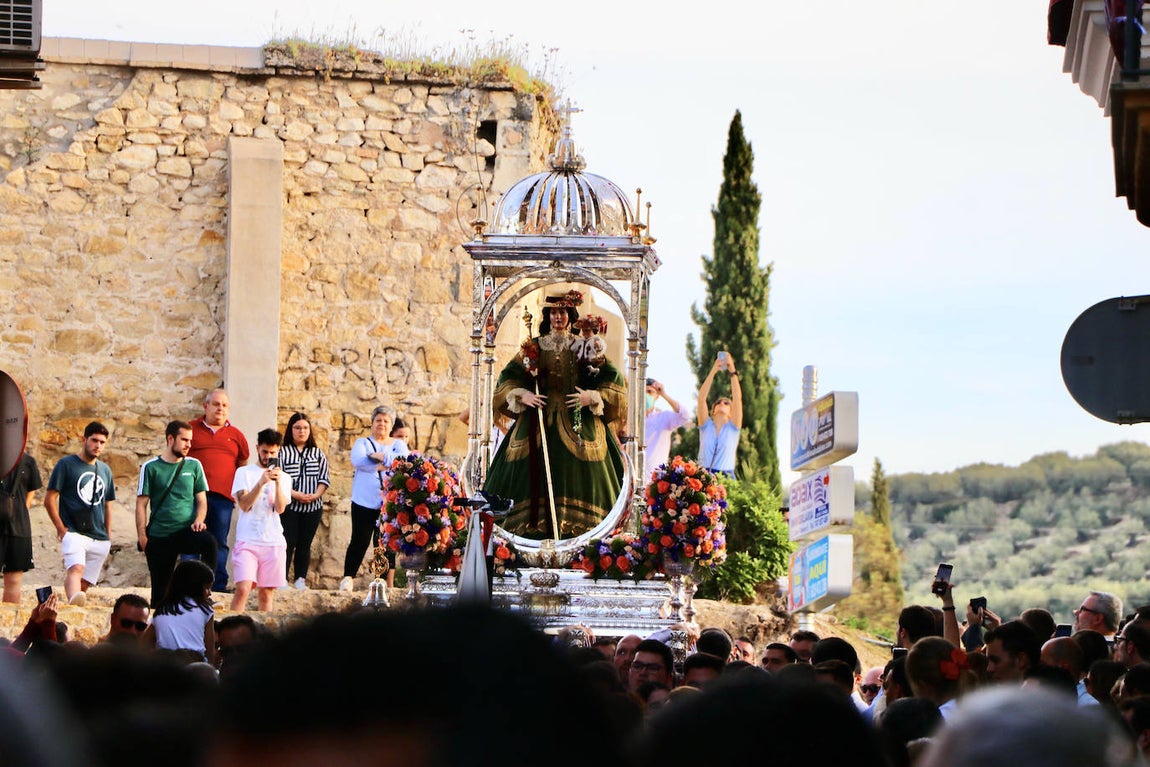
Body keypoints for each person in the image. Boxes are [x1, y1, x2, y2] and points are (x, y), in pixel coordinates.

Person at [483, 289, 627, 539]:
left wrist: (591, 396)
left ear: (570, 315)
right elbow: (507, 378)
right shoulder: (534, 347)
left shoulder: (583, 345)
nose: (558, 316)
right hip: (537, 419)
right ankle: (524, 539)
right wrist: (522, 394)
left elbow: (612, 377)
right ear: (547, 315)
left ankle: (586, 540)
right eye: (553, 312)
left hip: (579, 421)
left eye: (562, 311)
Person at [136, 420, 217, 608]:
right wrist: (142, 536)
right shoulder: (150, 467)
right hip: (159, 535)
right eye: (184, 440)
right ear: (170, 439)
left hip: (185, 530)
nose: (189, 444)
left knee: (209, 543)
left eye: (190, 440)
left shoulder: (194, 465)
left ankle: (204, 590)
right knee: (159, 597)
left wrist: (199, 520)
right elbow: (141, 504)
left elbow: (202, 501)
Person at [44, 421, 115, 606]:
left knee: (84, 583)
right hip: (73, 530)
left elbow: (107, 504)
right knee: (76, 568)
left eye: (102, 442)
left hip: (99, 535)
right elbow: (49, 498)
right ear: (84, 439)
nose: (98, 445)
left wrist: (108, 534)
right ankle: (73, 602)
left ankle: (72, 609)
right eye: (94, 440)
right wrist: (60, 528)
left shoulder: (106, 470)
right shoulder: (66, 464)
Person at [188, 388, 250, 593]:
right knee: (192, 539)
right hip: (193, 496)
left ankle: (217, 585)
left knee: (219, 542)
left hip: (222, 498)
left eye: (224, 405)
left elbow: (242, 462)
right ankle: (188, 585)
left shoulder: (236, 435)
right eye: (215, 404)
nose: (220, 409)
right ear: (205, 406)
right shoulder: (190, 430)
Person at [341, 405, 408, 591]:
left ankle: (381, 580)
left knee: (384, 543)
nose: (382, 424)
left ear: (392, 425)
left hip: (388, 503)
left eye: (386, 421)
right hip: (363, 500)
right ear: (372, 423)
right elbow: (358, 460)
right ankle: (348, 577)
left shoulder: (398, 444)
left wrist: (379, 457)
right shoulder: (362, 443)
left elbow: (403, 461)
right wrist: (387, 463)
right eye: (378, 420)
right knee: (359, 540)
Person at [229, 429, 290, 612]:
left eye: (272, 453)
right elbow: (244, 505)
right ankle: (230, 632)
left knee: (266, 592)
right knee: (243, 588)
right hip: (247, 539)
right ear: (257, 448)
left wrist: (277, 482)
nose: (268, 456)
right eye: (264, 452)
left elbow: (280, 508)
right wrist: (261, 483)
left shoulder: (285, 478)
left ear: (278, 451)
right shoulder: (244, 473)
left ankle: (263, 637)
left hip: (273, 541)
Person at [279, 412, 329, 590]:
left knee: (304, 544)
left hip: (313, 507)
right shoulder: (282, 453)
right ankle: (281, 580)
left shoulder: (317, 453)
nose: (302, 431)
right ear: (291, 430)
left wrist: (315, 495)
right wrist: (295, 494)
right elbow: (278, 478)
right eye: (298, 428)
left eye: (305, 428)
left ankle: (300, 579)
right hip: (289, 506)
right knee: (287, 542)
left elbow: (324, 478)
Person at [144, 559, 217, 665]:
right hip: (195, 666)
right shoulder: (206, 611)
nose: (209, 593)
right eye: (207, 588)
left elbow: (144, 645)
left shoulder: (161, 612)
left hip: (165, 665)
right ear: (194, 587)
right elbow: (210, 650)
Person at [0, 451, 42, 603]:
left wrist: (20, 510)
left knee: (14, 581)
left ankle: (7, 624)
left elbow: (31, 489)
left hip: (18, 528)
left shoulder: (28, 461)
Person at [696, 351, 742, 476]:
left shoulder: (733, 428)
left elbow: (737, 399)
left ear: (731, 413)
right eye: (719, 403)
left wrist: (732, 371)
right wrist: (713, 371)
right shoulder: (706, 426)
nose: (722, 403)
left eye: (727, 403)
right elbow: (701, 399)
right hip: (703, 475)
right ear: (713, 410)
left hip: (725, 476)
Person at [642, 377, 690, 481]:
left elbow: (684, 415)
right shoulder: (631, 419)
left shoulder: (664, 418)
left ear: (656, 396)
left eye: (650, 392)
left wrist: (664, 394)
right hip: (633, 479)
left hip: (656, 481)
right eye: (643, 391)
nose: (646, 395)